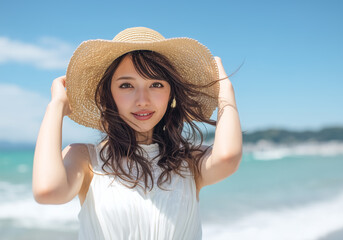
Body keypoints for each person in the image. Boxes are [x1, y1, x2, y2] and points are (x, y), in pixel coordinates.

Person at [32, 27, 242, 240]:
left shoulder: (187, 161)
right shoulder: (86, 159)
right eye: (126, 85)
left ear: (171, 95)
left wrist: (225, 90)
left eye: (156, 84)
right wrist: (56, 107)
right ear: (108, 95)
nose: (142, 99)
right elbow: (47, 191)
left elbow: (228, 157)